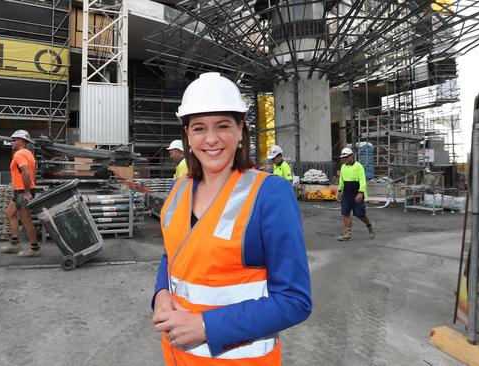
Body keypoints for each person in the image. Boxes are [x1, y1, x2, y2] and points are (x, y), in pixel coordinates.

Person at [151, 72, 311, 365]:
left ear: (240, 130)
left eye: (223, 125)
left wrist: (206, 327)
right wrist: (161, 292)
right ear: (187, 134)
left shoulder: (269, 194)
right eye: (199, 128)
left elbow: (294, 301)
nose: (211, 139)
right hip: (177, 357)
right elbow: (172, 255)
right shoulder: (179, 188)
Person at [1, 130, 40, 257]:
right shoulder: (29, 153)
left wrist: (28, 192)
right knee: (10, 214)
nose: (11, 142)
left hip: (24, 192)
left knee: (26, 219)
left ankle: (34, 248)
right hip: (20, 191)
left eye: (14, 140)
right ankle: (15, 243)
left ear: (22, 141)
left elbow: (26, 173)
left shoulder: (19, 154)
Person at [337, 147, 375, 241]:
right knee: (345, 213)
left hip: (356, 193)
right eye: (343, 158)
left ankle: (370, 226)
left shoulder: (358, 166)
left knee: (360, 214)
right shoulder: (343, 167)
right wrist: (339, 191)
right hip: (346, 193)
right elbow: (341, 180)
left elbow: (362, 180)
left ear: (351, 156)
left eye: (346, 157)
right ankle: (347, 234)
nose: (344, 159)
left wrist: (361, 193)